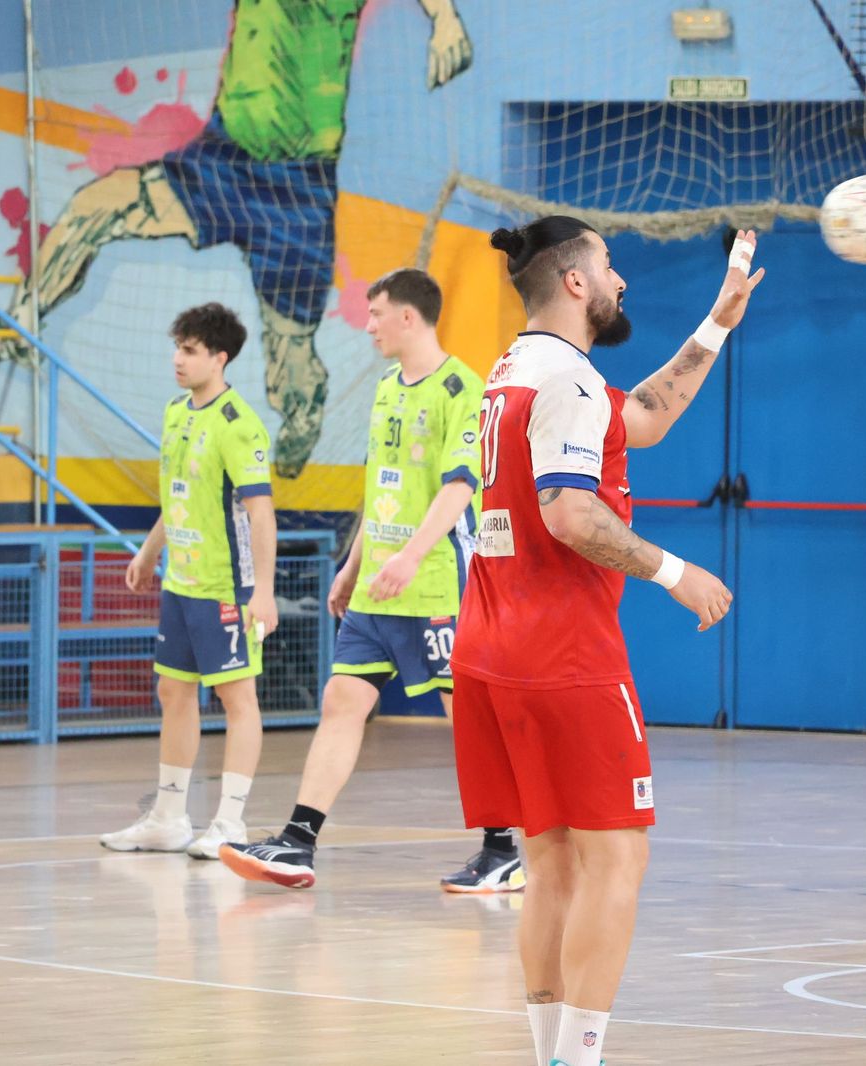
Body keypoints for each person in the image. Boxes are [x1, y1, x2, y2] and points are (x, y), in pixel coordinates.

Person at [450, 217, 764, 1066]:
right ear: (577, 281)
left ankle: (553, 1055)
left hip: (491, 646)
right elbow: (570, 513)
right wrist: (674, 572)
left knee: (551, 862)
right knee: (617, 860)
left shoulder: (515, 369)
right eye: (610, 262)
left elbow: (647, 418)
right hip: (563, 656)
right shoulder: (571, 383)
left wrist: (717, 322)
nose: (621, 277)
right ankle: (579, 1059)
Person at [0, 0, 473, 478]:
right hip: (221, 159)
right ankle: (19, 327)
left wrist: (445, 19)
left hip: (297, 192)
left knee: (291, 360)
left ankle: (300, 418)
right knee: (95, 205)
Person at [219, 268, 521, 892]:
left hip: (435, 583)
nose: (368, 323)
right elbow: (379, 488)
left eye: (376, 312)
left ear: (409, 317)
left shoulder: (462, 387)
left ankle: (503, 848)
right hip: (376, 587)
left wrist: (410, 557)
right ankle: (299, 841)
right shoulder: (387, 387)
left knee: (464, 715)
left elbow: (459, 486)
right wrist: (354, 566)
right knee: (342, 701)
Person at [100, 302, 280, 859]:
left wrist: (264, 591)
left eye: (190, 350)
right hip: (180, 582)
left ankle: (230, 822)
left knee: (236, 696)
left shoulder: (238, 424)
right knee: (173, 691)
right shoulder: (177, 412)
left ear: (219, 359)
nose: (178, 359)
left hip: (226, 587)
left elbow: (261, 513)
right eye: (177, 347)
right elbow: (176, 493)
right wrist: (150, 550)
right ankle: (168, 817)